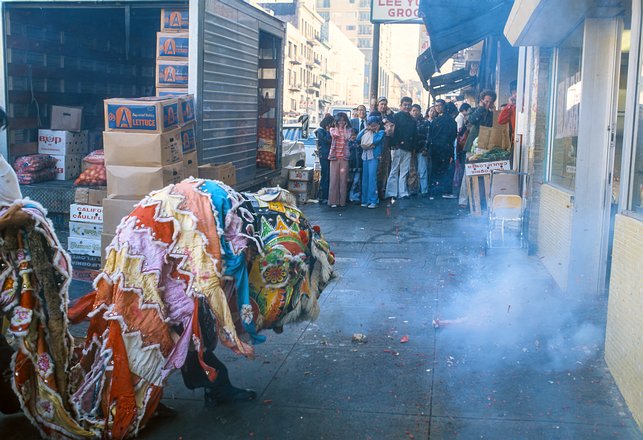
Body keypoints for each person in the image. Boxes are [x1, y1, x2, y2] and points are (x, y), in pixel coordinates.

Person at [1, 174, 336, 438]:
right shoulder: (282, 243)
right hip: (167, 231)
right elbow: (251, 296)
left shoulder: (273, 223)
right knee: (155, 321)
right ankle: (187, 386)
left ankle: (211, 382)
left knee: (176, 316)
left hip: (163, 221)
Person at [459, 90, 497, 207]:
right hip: (472, 146)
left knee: (482, 175)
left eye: (490, 102)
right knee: (468, 174)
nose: (488, 104)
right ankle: (463, 201)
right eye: (486, 101)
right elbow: (471, 120)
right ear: (481, 100)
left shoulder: (491, 114)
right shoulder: (474, 110)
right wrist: (481, 108)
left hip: (485, 147)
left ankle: (478, 200)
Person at [385, 97, 418, 201]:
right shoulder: (396, 117)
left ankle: (402, 192)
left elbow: (414, 135)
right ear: (401, 105)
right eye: (405, 104)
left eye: (409, 105)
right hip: (397, 147)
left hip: (408, 148)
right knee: (394, 170)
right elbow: (391, 132)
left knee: (404, 171)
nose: (407, 107)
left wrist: (413, 148)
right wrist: (394, 144)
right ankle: (391, 193)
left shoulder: (412, 119)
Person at [427, 99, 457, 199]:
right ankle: (445, 192)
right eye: (436, 106)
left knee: (436, 170)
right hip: (442, 148)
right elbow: (453, 136)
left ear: (444, 106)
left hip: (440, 148)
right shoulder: (449, 120)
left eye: (439, 105)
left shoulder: (438, 120)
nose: (438, 107)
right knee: (444, 170)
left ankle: (435, 192)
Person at [356, 115, 386, 208]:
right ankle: (365, 200)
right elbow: (358, 139)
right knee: (365, 179)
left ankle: (373, 200)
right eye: (371, 124)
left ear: (378, 124)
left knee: (372, 179)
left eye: (375, 124)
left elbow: (376, 140)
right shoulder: (366, 131)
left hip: (374, 157)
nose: (372, 126)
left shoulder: (381, 132)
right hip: (365, 157)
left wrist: (375, 131)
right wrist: (365, 129)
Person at [369, 97, 395, 200]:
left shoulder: (388, 115)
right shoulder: (373, 115)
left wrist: (389, 115)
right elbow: (372, 127)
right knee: (377, 169)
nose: (383, 106)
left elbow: (393, 125)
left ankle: (382, 190)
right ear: (378, 105)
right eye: (381, 104)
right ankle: (375, 192)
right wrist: (383, 122)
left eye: (385, 104)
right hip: (377, 145)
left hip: (386, 145)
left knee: (385, 168)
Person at [328, 112, 352, 207]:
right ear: (336, 121)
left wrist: (345, 128)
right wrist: (337, 127)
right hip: (334, 157)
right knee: (334, 180)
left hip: (344, 158)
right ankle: (333, 201)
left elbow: (347, 137)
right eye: (340, 120)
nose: (341, 122)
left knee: (343, 180)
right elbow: (336, 135)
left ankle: (342, 202)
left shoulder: (348, 130)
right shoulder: (332, 129)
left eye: (343, 120)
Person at [315, 115, 334, 204]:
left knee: (328, 176)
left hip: (329, 156)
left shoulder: (323, 131)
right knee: (325, 176)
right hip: (324, 156)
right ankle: (323, 196)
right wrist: (328, 131)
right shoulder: (321, 131)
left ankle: (326, 196)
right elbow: (328, 140)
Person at [412, 103, 430, 196]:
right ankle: (415, 189)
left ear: (420, 111)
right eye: (413, 110)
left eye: (416, 110)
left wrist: (425, 148)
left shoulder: (425, 122)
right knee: (412, 171)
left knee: (422, 171)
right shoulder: (410, 122)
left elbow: (428, 137)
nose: (415, 112)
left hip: (421, 149)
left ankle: (424, 190)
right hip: (411, 151)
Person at [347, 128, 361, 203]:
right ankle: (348, 196)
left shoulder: (359, 144)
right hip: (350, 166)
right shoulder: (348, 144)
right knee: (350, 182)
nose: (353, 136)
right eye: (351, 135)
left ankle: (355, 197)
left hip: (358, 166)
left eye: (355, 135)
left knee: (356, 182)